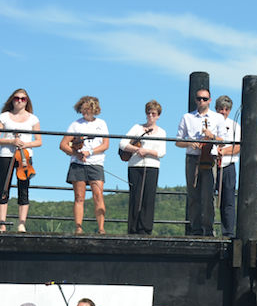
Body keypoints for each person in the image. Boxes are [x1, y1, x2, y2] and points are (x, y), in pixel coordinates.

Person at [175, 89, 226, 237]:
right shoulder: (187, 117)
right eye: (199, 99)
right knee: (193, 195)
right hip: (192, 159)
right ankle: (195, 230)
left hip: (210, 159)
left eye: (204, 99)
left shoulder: (218, 118)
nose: (201, 101)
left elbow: (223, 142)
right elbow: (178, 141)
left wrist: (212, 136)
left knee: (209, 196)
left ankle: (209, 230)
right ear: (195, 100)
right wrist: (189, 143)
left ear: (210, 100)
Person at [60, 96, 109, 235]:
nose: (84, 112)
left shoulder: (102, 123)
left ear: (93, 109)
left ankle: (101, 228)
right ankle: (78, 228)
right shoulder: (75, 124)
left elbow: (105, 144)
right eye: (82, 110)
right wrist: (76, 153)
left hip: (96, 163)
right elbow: (63, 144)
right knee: (79, 197)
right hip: (78, 164)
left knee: (98, 195)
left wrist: (91, 151)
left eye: (87, 109)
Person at [120, 101, 166, 236]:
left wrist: (147, 151)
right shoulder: (136, 128)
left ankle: (146, 229)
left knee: (148, 197)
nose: (151, 116)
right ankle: (133, 228)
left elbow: (161, 152)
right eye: (148, 113)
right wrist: (137, 149)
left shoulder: (162, 132)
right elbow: (122, 143)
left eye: (154, 114)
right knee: (135, 196)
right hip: (135, 165)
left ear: (158, 116)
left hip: (152, 166)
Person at [0, 89, 42, 233]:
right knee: (3, 189)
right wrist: (11, 142)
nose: (19, 101)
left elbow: (38, 141)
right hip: (6, 155)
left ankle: (21, 224)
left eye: (23, 99)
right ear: (12, 100)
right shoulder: (4, 117)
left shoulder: (33, 119)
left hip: (25, 156)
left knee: (23, 189)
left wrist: (25, 144)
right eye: (17, 98)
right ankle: (2, 224)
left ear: (27, 101)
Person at [214, 96, 240, 239]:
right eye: (221, 109)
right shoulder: (210, 123)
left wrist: (223, 151)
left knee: (228, 201)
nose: (223, 112)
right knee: (208, 200)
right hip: (211, 164)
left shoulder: (235, 126)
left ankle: (228, 233)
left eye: (226, 109)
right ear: (216, 109)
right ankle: (207, 230)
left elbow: (238, 147)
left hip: (228, 165)